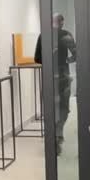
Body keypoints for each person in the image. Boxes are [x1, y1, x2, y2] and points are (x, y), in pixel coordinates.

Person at [34, 14, 76, 152]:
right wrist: (66, 60)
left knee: (53, 107)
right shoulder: (66, 35)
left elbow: (37, 59)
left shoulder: (43, 36)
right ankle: (58, 133)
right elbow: (76, 54)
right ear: (62, 22)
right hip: (62, 75)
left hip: (50, 76)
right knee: (63, 107)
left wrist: (50, 59)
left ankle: (56, 134)